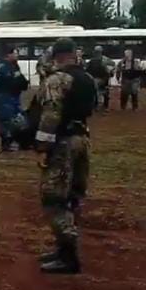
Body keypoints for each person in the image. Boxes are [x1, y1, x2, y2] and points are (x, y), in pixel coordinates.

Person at [30, 38, 95, 275]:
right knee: (73, 196)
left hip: (63, 143)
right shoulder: (86, 78)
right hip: (82, 139)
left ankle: (68, 256)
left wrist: (42, 148)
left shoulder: (57, 80)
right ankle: (62, 249)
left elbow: (50, 116)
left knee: (54, 197)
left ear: (56, 56)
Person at [0, 47, 29, 151]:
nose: (17, 55)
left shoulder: (14, 66)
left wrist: (23, 84)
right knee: (6, 121)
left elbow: (20, 80)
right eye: (15, 53)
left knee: (17, 119)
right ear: (8, 55)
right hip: (4, 96)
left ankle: (15, 141)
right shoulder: (1, 67)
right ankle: (5, 144)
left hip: (14, 96)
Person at [84, 45, 114, 112]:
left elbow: (111, 68)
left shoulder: (105, 60)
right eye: (97, 51)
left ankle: (102, 106)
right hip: (98, 79)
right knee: (98, 93)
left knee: (102, 93)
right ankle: (99, 106)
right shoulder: (94, 60)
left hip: (102, 78)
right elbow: (87, 70)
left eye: (98, 51)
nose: (98, 53)